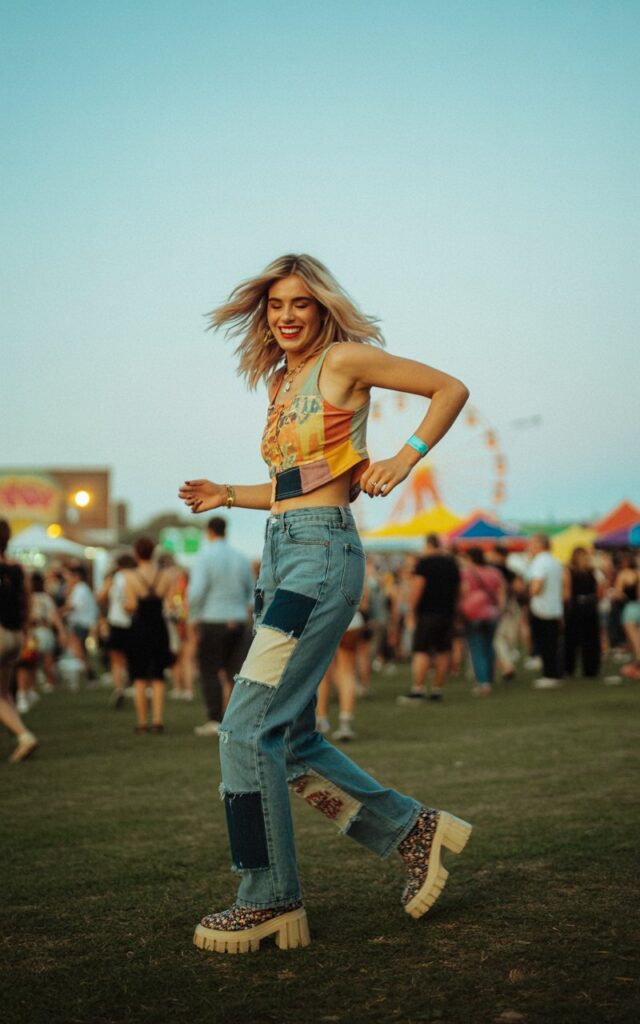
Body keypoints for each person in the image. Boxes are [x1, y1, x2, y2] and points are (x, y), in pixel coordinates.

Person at [179, 253, 472, 954]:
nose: (285, 315)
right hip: (282, 550)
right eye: (275, 304)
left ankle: (267, 899)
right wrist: (227, 493)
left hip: (319, 557)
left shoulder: (344, 360)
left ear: (321, 311)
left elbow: (450, 389)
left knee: (243, 729)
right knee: (290, 739)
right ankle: (413, 832)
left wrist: (406, 458)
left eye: (299, 304)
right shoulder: (283, 382)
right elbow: (294, 484)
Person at [188, 516, 254, 737]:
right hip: (237, 619)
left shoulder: (204, 556)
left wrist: (193, 616)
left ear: (209, 531)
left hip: (212, 619)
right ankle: (237, 717)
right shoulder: (240, 557)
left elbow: (197, 591)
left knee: (209, 671)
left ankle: (215, 718)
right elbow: (251, 590)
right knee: (234, 671)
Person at [397, 534, 460, 704]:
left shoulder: (425, 563)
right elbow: (460, 589)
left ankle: (418, 689)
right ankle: (437, 689)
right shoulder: (452, 563)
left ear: (428, 545)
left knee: (421, 650)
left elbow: (418, 586)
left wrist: (411, 609)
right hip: (447, 613)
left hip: (427, 613)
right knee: (442, 651)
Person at [124, 538, 176, 733]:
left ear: (136, 553)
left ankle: (142, 723)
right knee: (158, 676)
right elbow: (170, 605)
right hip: (159, 628)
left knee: (139, 677)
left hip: (139, 628)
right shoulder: (166, 576)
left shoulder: (130, 576)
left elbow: (131, 605)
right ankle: (157, 721)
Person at [0, 519, 38, 763]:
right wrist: (26, 631)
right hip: (14, 636)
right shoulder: (17, 568)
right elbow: (27, 602)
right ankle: (22, 735)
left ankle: (24, 735)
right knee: (3, 694)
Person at [459, 547, 505, 696]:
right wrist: (499, 610)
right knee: (488, 646)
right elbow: (501, 593)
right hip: (492, 614)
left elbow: (463, 593)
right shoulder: (494, 573)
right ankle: (490, 677)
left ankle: (483, 683)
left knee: (477, 649)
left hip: (473, 615)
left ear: (470, 559)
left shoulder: (465, 574)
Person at [526, 533, 564, 689]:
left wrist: (530, 592)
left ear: (539, 545)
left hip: (541, 608)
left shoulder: (540, 562)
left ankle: (550, 674)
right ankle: (555, 672)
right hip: (554, 607)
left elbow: (536, 585)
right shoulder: (554, 561)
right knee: (553, 643)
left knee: (545, 643)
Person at [563, 547, 601, 678]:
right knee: (591, 640)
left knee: (571, 640)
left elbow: (567, 593)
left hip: (575, 608)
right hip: (590, 608)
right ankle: (591, 669)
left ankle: (569, 669)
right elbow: (599, 591)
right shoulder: (591, 571)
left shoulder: (569, 571)